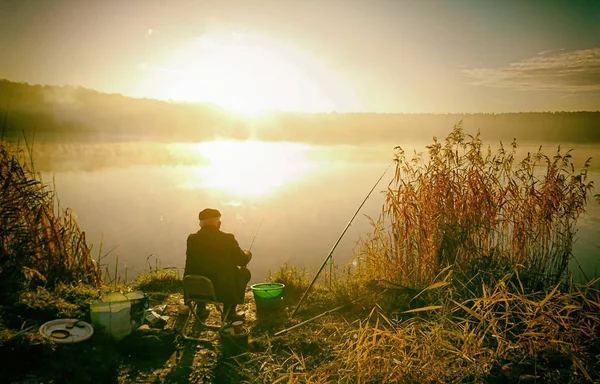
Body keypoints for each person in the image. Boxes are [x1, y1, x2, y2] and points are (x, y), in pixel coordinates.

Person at [184, 208, 252, 322]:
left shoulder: (191, 239)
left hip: (195, 288)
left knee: (201, 269)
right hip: (221, 291)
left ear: (200, 224)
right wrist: (248, 253)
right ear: (219, 224)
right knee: (244, 272)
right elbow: (242, 260)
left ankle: (201, 308)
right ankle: (229, 312)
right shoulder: (227, 239)